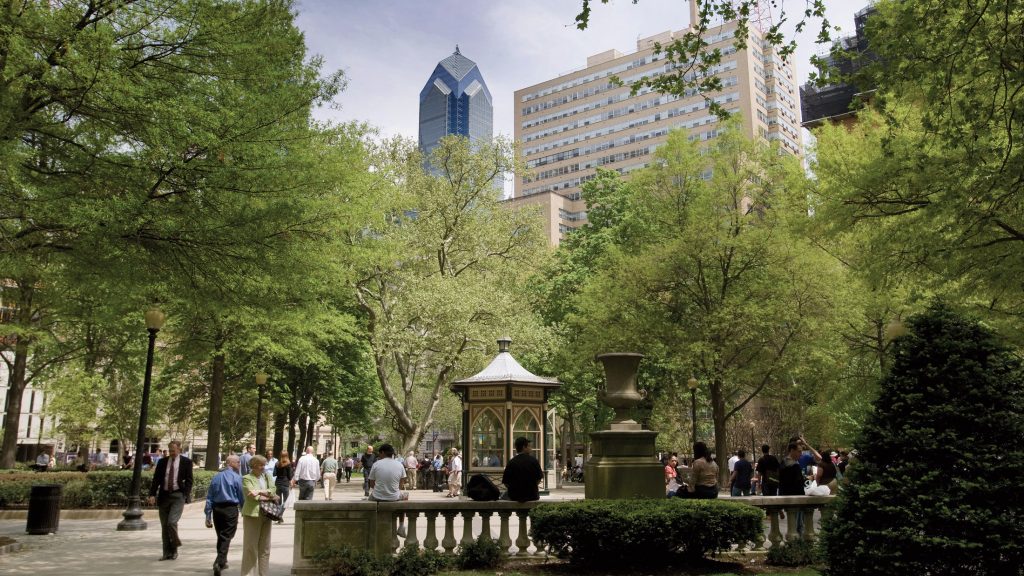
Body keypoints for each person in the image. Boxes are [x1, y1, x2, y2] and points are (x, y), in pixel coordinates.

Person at [147, 440, 194, 561]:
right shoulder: (162, 462)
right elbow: (156, 479)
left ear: (179, 449)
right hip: (164, 496)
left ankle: (175, 546)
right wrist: (152, 494)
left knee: (171, 522)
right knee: (164, 526)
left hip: (178, 495)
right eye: (170, 451)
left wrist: (185, 494)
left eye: (174, 450)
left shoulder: (186, 462)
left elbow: (189, 480)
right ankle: (167, 553)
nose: (172, 453)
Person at [205, 454, 243, 576]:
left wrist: (208, 515)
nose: (239, 465)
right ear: (230, 463)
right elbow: (241, 496)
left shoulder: (216, 477)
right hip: (230, 509)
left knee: (221, 536)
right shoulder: (237, 478)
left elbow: (209, 497)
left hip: (217, 509)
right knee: (226, 536)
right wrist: (244, 510)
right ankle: (218, 562)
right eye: (237, 462)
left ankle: (223, 560)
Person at [241, 455, 276, 576]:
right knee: (250, 547)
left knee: (265, 548)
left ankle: (263, 574)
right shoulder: (247, 478)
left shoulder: (267, 476)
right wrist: (266, 495)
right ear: (254, 466)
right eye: (261, 465)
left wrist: (260, 491)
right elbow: (252, 495)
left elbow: (273, 490)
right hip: (252, 515)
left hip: (267, 513)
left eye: (264, 465)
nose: (263, 467)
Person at [367, 443, 409, 536]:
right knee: (405, 498)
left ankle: (371, 524)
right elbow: (401, 484)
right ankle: (401, 526)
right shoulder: (399, 465)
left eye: (379, 454)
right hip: (394, 497)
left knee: (368, 503)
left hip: (377, 496)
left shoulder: (376, 464)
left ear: (382, 452)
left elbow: (371, 484)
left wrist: (381, 489)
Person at [502, 437, 544, 502]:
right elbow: (539, 479)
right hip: (532, 496)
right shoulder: (533, 461)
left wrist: (515, 489)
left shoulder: (511, 462)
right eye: (529, 446)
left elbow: (506, 482)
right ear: (524, 447)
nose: (531, 448)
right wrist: (530, 487)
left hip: (515, 497)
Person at [273, 451, 293, 523]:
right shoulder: (288, 464)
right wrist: (291, 482)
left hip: (278, 483)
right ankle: (280, 515)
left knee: (278, 501)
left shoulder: (277, 464)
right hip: (285, 483)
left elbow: (274, 474)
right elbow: (290, 476)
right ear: (287, 455)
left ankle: (279, 516)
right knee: (286, 501)